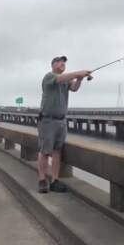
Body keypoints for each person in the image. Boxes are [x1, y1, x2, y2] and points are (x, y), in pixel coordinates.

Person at [37, 56, 91, 193]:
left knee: (57, 151)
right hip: (48, 120)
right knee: (45, 151)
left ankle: (54, 180)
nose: (63, 63)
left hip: (61, 121)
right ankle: (42, 180)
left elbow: (74, 88)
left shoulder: (66, 80)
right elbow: (61, 78)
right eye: (60, 61)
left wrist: (80, 79)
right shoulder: (49, 77)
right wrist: (79, 73)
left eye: (65, 62)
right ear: (53, 64)